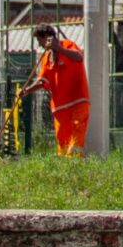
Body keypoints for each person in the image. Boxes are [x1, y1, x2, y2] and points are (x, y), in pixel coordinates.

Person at [25, 24, 90, 156]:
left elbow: (79, 57)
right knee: (63, 140)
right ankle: (64, 169)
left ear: (48, 38)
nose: (40, 45)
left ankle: (74, 165)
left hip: (77, 101)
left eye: (40, 40)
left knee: (77, 137)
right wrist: (27, 90)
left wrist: (58, 48)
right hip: (60, 107)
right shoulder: (46, 58)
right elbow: (43, 81)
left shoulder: (68, 45)